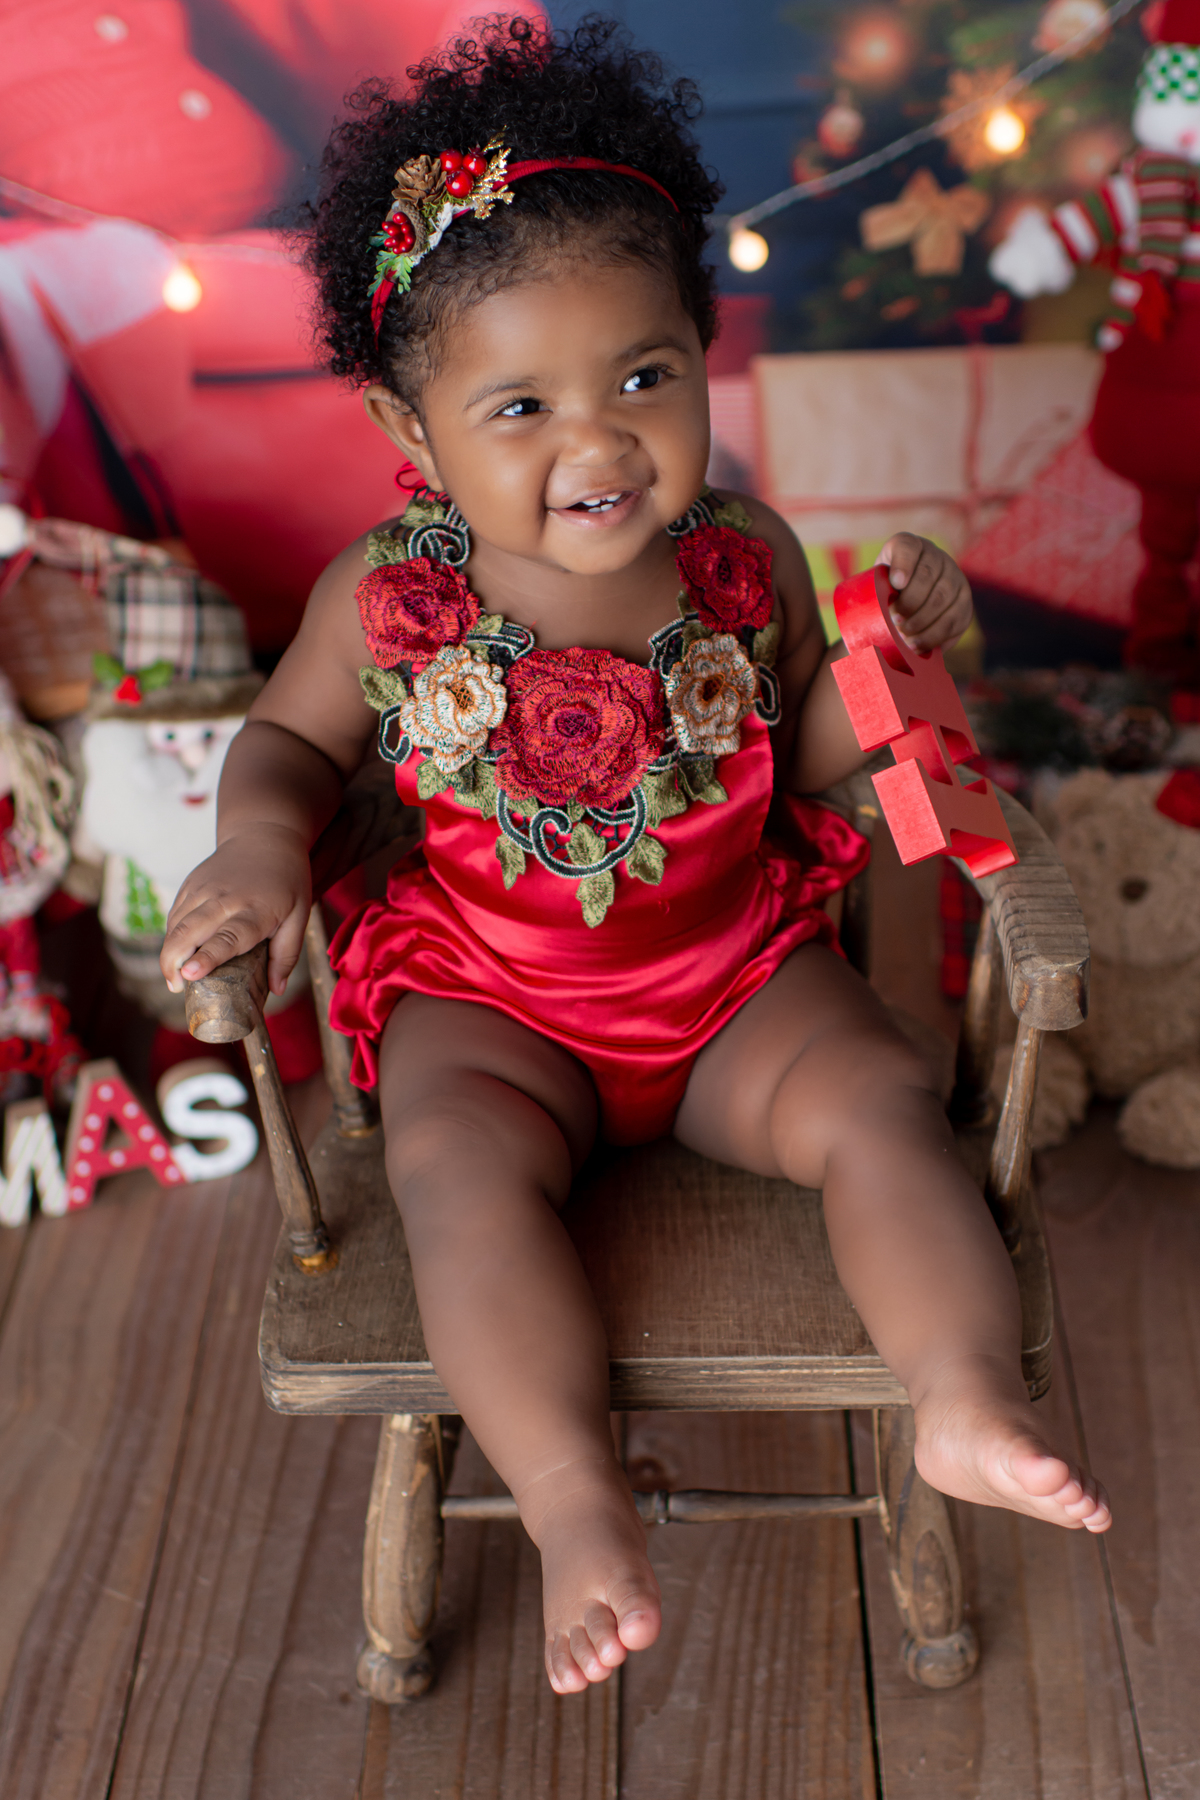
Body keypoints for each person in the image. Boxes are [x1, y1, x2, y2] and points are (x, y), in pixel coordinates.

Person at [162, 15, 1111, 1699]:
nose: (597, 445)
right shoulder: (387, 598)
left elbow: (819, 761)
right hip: (494, 995)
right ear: (410, 421)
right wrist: (257, 843)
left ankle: (960, 1392)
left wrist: (903, 660)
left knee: (886, 1103)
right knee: (452, 1176)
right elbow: (296, 744)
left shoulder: (744, 561)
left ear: (699, 344)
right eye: (521, 404)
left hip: (735, 975)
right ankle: (571, 1494)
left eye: (643, 380)